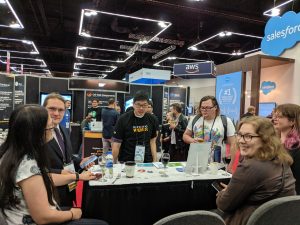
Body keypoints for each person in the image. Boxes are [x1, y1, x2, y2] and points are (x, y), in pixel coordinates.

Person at [0, 105, 108, 225]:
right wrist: (73, 213)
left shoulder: (11, 153)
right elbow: (43, 217)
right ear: (37, 133)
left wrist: (77, 176)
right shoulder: (27, 164)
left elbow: (41, 179)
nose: (53, 128)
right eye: (50, 127)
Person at [216, 116, 296, 225]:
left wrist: (223, 193)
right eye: (239, 135)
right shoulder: (280, 158)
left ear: (265, 139)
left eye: (248, 136)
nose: (241, 140)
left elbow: (224, 205)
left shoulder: (251, 166)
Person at [43, 93, 93, 207]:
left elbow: (66, 157)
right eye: (52, 109)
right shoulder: (36, 134)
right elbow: (35, 169)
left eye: (60, 110)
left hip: (68, 189)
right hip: (49, 194)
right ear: (43, 109)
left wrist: (80, 162)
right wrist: (61, 172)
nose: (56, 113)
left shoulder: (63, 130)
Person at [183, 96, 236, 169]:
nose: (204, 110)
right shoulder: (195, 119)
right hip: (196, 164)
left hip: (218, 165)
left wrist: (231, 164)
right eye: (202, 108)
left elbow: (233, 144)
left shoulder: (225, 121)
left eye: (208, 108)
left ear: (215, 107)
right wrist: (192, 140)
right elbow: (185, 135)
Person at [112, 92, 157, 163]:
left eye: (144, 105)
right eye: (138, 105)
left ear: (148, 105)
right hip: (127, 159)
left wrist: (155, 160)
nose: (141, 108)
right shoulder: (123, 119)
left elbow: (152, 141)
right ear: (133, 104)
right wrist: (114, 162)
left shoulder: (152, 119)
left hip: (147, 160)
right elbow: (116, 143)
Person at [273, 103, 300, 194]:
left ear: (292, 121)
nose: (274, 119)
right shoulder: (274, 141)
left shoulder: (297, 146)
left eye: (279, 117)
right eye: (275, 116)